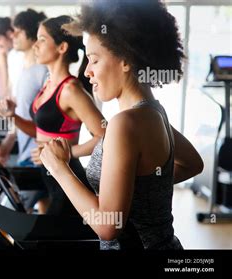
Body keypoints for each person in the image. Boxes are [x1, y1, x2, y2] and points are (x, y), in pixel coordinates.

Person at [39, 0, 204, 249]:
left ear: (125, 59)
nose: (87, 72)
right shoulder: (154, 113)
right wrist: (135, 193)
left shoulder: (124, 124)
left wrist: (60, 168)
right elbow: (193, 164)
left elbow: (108, 226)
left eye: (94, 60)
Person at [0, 16, 106, 216]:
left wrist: (69, 153)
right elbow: (41, 132)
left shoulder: (71, 90)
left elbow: (105, 136)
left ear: (61, 47)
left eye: (42, 39)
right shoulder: (48, 85)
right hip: (47, 173)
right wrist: (12, 116)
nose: (35, 45)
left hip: (66, 178)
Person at [0, 9, 50, 213]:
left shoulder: (43, 72)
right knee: (41, 211)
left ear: (31, 34)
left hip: (38, 157)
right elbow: (23, 113)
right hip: (26, 154)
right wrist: (8, 141)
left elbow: (46, 122)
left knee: (11, 214)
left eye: (17, 32)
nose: (12, 35)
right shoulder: (26, 70)